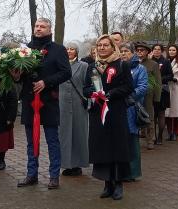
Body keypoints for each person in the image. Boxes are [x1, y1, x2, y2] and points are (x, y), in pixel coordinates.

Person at [11, 18, 71, 189]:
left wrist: (46, 82)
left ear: (49, 30)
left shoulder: (58, 50)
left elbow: (66, 73)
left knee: (52, 141)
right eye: (36, 26)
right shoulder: (26, 50)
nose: (38, 29)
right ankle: (32, 174)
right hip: (30, 101)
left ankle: (54, 176)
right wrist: (16, 75)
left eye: (42, 26)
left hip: (48, 101)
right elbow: (22, 76)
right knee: (31, 141)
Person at [83, 34, 133, 200]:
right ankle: (107, 183)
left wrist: (110, 94)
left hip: (116, 111)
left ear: (113, 47)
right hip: (98, 113)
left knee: (117, 146)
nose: (102, 48)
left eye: (106, 45)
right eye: (100, 45)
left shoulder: (122, 65)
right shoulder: (91, 66)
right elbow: (85, 88)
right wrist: (93, 93)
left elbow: (128, 87)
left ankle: (119, 183)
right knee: (102, 146)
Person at [59, 42, 89, 176]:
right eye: (67, 49)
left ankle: (78, 164)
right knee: (64, 135)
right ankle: (67, 164)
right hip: (63, 104)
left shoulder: (84, 66)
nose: (69, 51)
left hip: (78, 104)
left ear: (77, 52)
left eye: (72, 49)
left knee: (79, 134)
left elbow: (88, 84)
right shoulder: (59, 66)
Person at [120, 42, 148, 180]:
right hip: (118, 108)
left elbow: (143, 87)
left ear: (133, 53)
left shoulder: (140, 68)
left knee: (132, 140)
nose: (123, 53)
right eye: (121, 51)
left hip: (131, 107)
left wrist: (126, 96)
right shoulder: (117, 66)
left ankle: (133, 172)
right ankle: (123, 171)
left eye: (126, 51)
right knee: (121, 140)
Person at [135, 41, 162, 149]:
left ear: (147, 52)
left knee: (149, 116)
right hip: (135, 94)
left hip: (148, 94)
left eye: (142, 50)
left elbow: (158, 81)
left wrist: (157, 97)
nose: (139, 52)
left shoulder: (153, 64)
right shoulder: (132, 63)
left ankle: (150, 140)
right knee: (135, 116)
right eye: (137, 50)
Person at [151, 44, 174, 144]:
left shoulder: (166, 62)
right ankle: (153, 136)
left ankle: (160, 136)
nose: (156, 51)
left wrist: (160, 79)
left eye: (158, 49)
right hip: (151, 90)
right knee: (152, 115)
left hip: (162, 90)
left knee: (161, 114)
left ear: (162, 51)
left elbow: (170, 75)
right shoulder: (149, 61)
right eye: (155, 49)